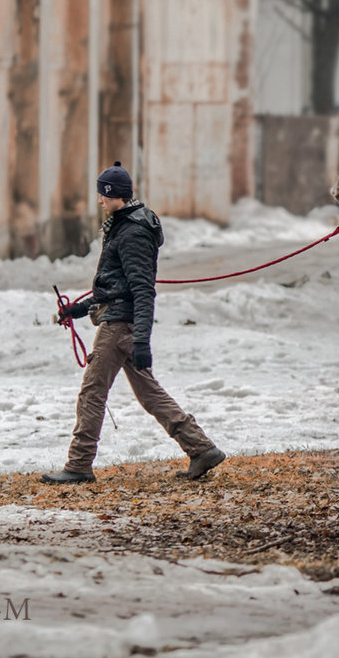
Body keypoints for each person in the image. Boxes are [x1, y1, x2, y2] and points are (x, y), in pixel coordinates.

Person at [41, 161, 225, 484]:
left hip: (119, 328)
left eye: (103, 194)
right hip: (122, 323)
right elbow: (116, 288)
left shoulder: (132, 233)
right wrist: (78, 310)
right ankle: (201, 449)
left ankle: (79, 465)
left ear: (116, 196)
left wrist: (142, 340)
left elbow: (142, 290)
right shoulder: (124, 225)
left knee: (91, 392)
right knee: (150, 395)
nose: (99, 200)